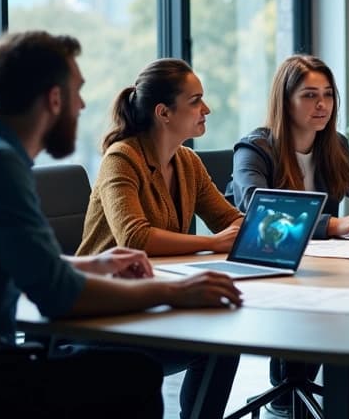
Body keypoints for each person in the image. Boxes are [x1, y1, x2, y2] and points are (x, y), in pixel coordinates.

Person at [0, 31, 243, 418]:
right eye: (77, 92)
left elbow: (30, 265)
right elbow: (58, 295)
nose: (82, 105)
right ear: (54, 99)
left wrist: (95, 263)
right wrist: (174, 293)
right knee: (131, 377)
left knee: (134, 370)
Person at [228, 53, 349, 416]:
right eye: (309, 95)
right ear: (286, 100)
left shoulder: (334, 147)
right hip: (265, 264)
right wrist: (331, 225)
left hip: (320, 265)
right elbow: (257, 209)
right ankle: (284, 399)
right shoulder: (255, 149)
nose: (322, 104)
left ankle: (289, 396)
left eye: (327, 94)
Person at [74, 58, 245, 418]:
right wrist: (214, 243)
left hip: (152, 303)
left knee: (225, 341)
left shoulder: (187, 162)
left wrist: (273, 229)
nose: (207, 109)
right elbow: (135, 237)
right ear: (164, 112)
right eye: (196, 100)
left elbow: (229, 221)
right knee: (216, 341)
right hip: (105, 317)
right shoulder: (121, 158)